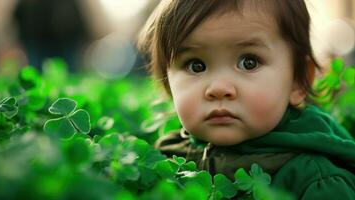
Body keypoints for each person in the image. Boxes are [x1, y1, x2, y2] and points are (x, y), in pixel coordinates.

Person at [137, 0, 355, 199]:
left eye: (249, 62)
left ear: (297, 80)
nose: (218, 88)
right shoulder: (167, 160)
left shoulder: (314, 181)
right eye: (196, 65)